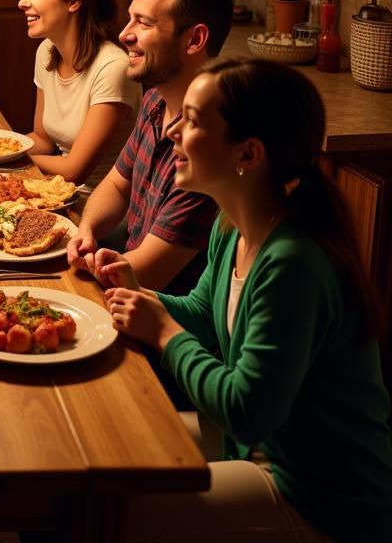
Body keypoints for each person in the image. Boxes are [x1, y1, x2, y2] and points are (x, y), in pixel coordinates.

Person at [98, 58, 392, 542]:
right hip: (255, 445)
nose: (171, 130)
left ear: (248, 154)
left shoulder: (293, 261)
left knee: (117, 509)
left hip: (320, 494)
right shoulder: (231, 227)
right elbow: (207, 319)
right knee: (109, 448)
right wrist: (138, 291)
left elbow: (246, 409)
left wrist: (164, 333)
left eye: (192, 121)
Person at [67, 0, 233, 293]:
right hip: (124, 284)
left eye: (143, 23)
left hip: (157, 312)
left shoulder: (208, 145)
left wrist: (90, 257)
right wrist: (86, 230)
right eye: (130, 19)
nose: (124, 34)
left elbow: (144, 277)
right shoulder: (156, 99)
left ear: (195, 40)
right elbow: (116, 186)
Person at [19, 0, 139, 186]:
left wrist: (9, 159)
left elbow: (75, 170)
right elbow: (43, 139)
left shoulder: (113, 67)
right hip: (56, 188)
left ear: (73, 1)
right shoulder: (46, 52)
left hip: (101, 206)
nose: (22, 2)